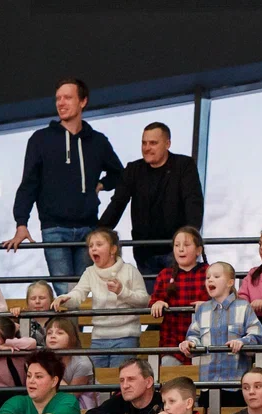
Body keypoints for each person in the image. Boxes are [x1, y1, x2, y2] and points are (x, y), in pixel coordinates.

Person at [4, 78, 124, 292]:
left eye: (67, 97)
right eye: (58, 98)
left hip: (89, 228)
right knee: (66, 293)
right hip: (54, 228)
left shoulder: (97, 141)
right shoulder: (40, 139)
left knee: (84, 293)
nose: (61, 103)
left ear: (83, 101)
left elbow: (119, 173)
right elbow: (28, 184)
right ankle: (69, 327)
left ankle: (73, 327)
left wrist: (100, 185)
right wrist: (21, 222)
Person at [99, 121, 204, 292]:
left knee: (181, 302)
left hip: (177, 250)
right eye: (144, 143)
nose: (147, 148)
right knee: (152, 308)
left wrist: (190, 237)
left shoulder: (184, 165)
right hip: (144, 252)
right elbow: (117, 204)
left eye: (153, 143)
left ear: (167, 144)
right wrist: (100, 233)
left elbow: (193, 202)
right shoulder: (133, 169)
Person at [50, 227, 149, 368]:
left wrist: (122, 291)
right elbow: (78, 294)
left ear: (113, 249)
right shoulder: (90, 272)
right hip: (99, 338)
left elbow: (143, 300)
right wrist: (65, 298)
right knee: (96, 381)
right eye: (91, 246)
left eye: (99, 244)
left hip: (126, 337)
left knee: (117, 380)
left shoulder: (130, 271)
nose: (93, 249)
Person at [177, 261, 262, 390]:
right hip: (207, 382)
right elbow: (194, 335)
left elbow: (257, 336)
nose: (210, 279)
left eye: (216, 276)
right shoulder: (202, 309)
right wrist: (190, 344)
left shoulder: (244, 307)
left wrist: (242, 342)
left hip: (236, 384)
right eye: (208, 277)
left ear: (230, 282)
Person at [150, 226, 209, 366]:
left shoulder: (208, 272)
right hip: (172, 340)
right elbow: (154, 300)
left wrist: (208, 305)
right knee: (168, 368)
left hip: (202, 339)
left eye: (187, 245)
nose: (181, 249)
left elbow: (221, 300)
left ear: (198, 250)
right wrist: (157, 303)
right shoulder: (165, 274)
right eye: (177, 245)